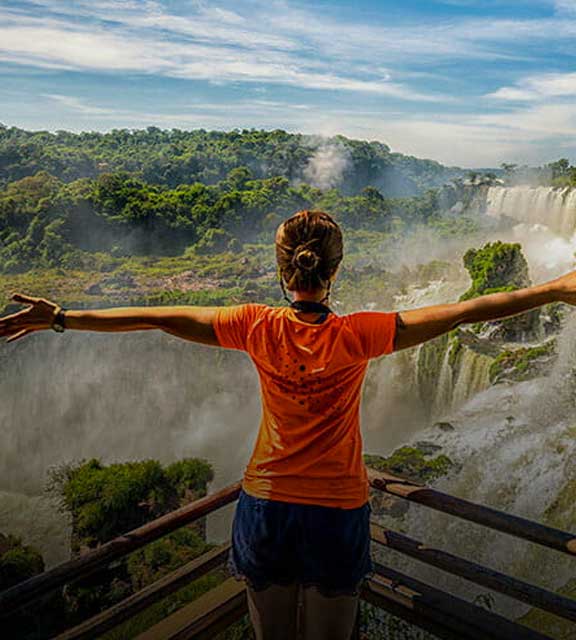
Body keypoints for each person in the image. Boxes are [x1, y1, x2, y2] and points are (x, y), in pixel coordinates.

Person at [1, 209, 575, 640]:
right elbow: (469, 310)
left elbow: (156, 316)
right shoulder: (363, 333)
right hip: (339, 510)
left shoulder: (255, 325)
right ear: (335, 268)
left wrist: (63, 319)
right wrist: (555, 288)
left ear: (282, 269)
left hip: (267, 504)